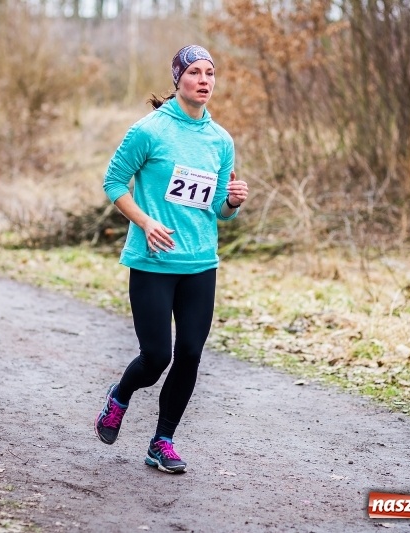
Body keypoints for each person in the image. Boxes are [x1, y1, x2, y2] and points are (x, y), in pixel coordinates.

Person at [94, 44, 249, 474]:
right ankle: (119, 397)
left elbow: (219, 209)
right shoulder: (149, 130)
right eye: (195, 72)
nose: (204, 80)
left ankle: (163, 441)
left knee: (191, 355)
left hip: (201, 264)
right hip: (153, 262)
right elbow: (113, 181)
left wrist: (233, 202)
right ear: (177, 78)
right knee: (157, 356)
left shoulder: (221, 141)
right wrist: (145, 222)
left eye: (210, 73)